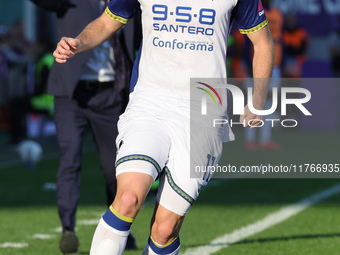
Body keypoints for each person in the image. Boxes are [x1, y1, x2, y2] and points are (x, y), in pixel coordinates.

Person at [53, 0, 274, 254]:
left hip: (203, 112)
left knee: (165, 230)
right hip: (149, 103)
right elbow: (106, 21)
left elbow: (263, 42)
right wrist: (78, 43)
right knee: (127, 200)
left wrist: (258, 99)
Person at [30, 0, 137, 253]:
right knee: (70, 157)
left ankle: (120, 230)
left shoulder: (132, 3)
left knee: (115, 170)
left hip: (111, 94)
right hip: (71, 94)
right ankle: (68, 230)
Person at [244, 0, 284, 151]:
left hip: (276, 64)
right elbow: (248, 40)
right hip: (257, 64)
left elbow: (281, 40)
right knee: (253, 102)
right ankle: (250, 139)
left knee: (269, 104)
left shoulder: (278, 15)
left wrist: (283, 63)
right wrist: (248, 65)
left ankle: (265, 140)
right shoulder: (254, 10)